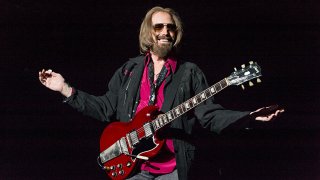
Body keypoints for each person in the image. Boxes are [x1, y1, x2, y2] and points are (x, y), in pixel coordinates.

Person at [39, 6, 284, 180]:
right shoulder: (129, 70)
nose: (165, 31)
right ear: (149, 32)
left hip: (173, 169)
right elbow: (105, 108)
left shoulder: (190, 72)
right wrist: (65, 89)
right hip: (133, 167)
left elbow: (208, 114)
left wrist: (247, 116)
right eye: (159, 26)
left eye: (170, 27)